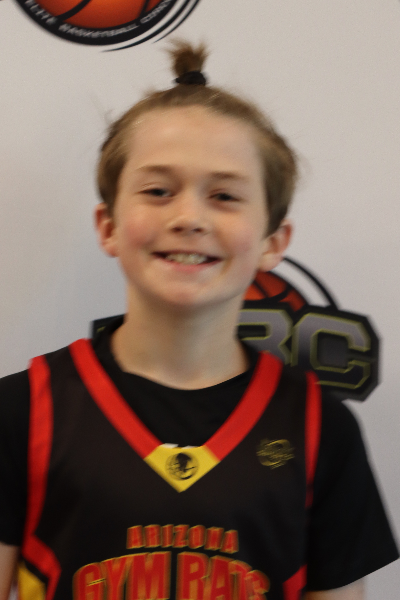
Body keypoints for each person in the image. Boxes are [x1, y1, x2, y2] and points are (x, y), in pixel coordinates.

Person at [0, 42, 398, 600]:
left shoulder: (319, 428)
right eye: (158, 191)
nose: (189, 217)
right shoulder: (23, 411)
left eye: (225, 196)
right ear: (108, 226)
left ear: (273, 241)